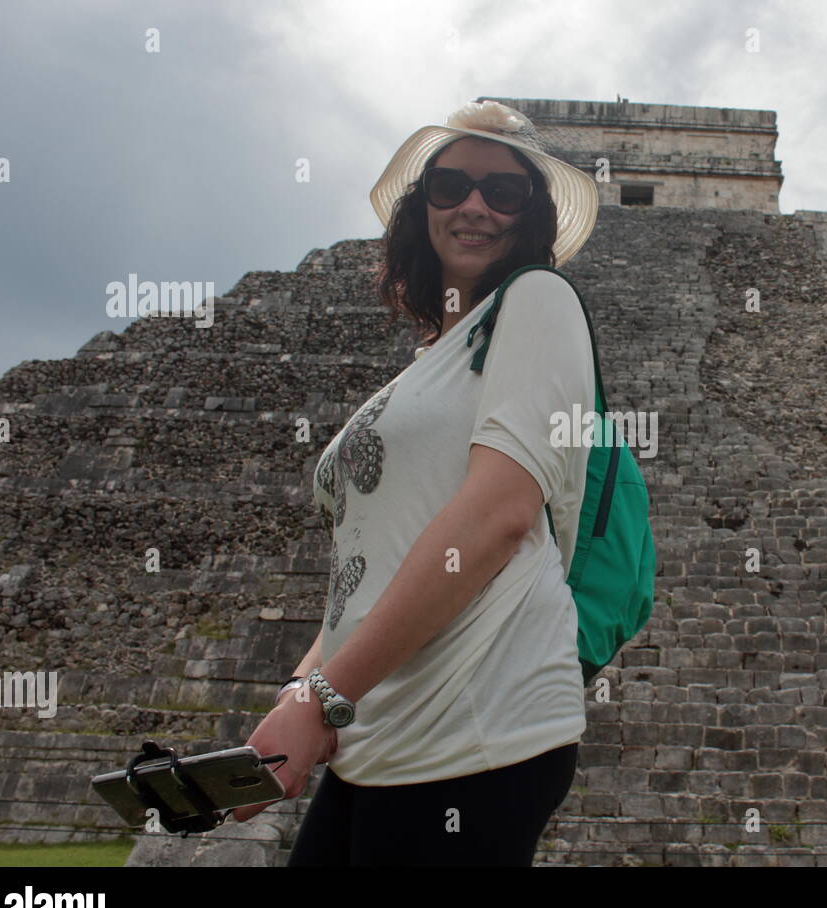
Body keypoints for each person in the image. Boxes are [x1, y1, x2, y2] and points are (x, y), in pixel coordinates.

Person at [231, 100, 600, 866]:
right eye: (452, 184)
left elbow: (496, 516)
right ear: (421, 203)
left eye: (505, 191)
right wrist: (302, 694)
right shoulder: (436, 355)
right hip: (378, 723)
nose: (475, 205)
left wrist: (329, 695)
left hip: (472, 729)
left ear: (533, 215)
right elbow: (376, 556)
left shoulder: (537, 300)